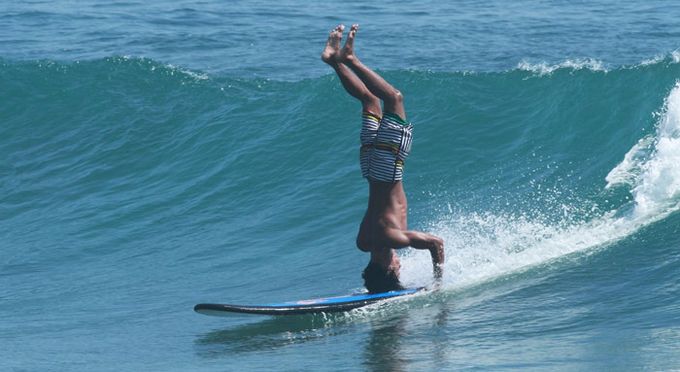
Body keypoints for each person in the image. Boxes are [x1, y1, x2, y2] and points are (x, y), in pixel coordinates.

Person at [321, 24, 445, 293]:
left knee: (393, 98)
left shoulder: (394, 239)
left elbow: (436, 243)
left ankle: (350, 59)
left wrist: (438, 282)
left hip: (386, 170)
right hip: (368, 167)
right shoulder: (363, 242)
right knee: (369, 102)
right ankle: (333, 61)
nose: (400, 264)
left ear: (389, 268)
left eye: (396, 268)